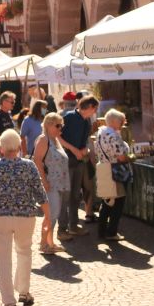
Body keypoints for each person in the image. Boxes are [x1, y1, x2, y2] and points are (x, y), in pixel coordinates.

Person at [0, 130, 50, 306]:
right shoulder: (29, 166)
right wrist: (48, 215)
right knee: (24, 252)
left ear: (1, 148)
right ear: (18, 147)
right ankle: (24, 292)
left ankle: (8, 302)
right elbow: (39, 192)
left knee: (3, 258)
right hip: (25, 216)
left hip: (0, 216)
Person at [61, 96, 98, 237]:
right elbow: (58, 137)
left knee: (76, 195)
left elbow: (83, 142)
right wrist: (74, 150)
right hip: (67, 160)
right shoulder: (69, 117)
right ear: (89, 107)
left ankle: (74, 225)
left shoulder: (86, 120)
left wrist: (84, 150)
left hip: (79, 161)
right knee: (66, 195)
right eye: (94, 109)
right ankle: (62, 229)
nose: (95, 112)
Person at [32, 112, 69, 254]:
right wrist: (44, 180)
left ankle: (50, 243)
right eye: (58, 125)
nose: (61, 128)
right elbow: (37, 161)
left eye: (62, 126)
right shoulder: (43, 139)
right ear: (48, 125)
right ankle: (43, 244)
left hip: (58, 183)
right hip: (50, 183)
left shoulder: (55, 139)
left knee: (55, 214)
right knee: (51, 215)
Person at [93, 109, 132, 241]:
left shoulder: (100, 132)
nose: (123, 123)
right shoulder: (113, 135)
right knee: (118, 202)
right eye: (122, 121)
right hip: (115, 171)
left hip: (104, 169)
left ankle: (101, 231)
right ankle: (111, 232)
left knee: (107, 201)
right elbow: (121, 157)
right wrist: (130, 158)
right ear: (114, 121)